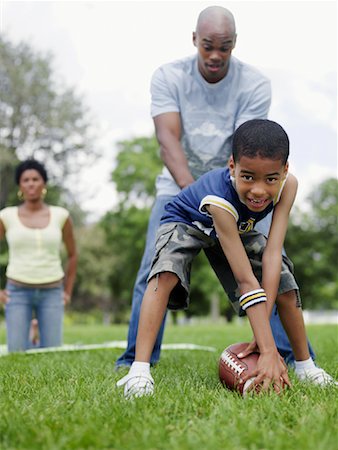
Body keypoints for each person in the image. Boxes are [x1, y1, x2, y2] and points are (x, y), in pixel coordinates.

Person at [115, 5, 314, 369]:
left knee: (271, 263)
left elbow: (248, 150)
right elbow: (167, 139)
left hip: (240, 190)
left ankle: (287, 357)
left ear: (235, 44)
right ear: (195, 40)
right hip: (182, 192)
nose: (215, 55)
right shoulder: (169, 76)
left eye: (224, 47)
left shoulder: (254, 84)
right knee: (155, 269)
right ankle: (135, 362)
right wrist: (200, 197)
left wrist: (232, 194)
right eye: (208, 46)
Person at [117, 119, 336, 398]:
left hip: (235, 228)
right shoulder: (219, 198)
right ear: (232, 166)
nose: (258, 190)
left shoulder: (288, 186)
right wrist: (267, 350)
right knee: (165, 273)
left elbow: (271, 255)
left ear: (285, 171)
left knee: (284, 278)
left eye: (270, 179)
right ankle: (139, 369)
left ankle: (306, 366)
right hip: (187, 221)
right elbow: (245, 280)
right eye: (247, 177)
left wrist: (262, 334)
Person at [0, 159, 77, 352]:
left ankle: (35, 333)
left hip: (52, 292)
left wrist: (67, 291)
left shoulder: (61, 215)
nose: (31, 183)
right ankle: (31, 333)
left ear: (44, 184)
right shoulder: (6, 216)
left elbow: (73, 255)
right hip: (17, 292)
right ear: (20, 185)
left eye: (36, 179)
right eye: (26, 180)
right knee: (16, 354)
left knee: (52, 354)